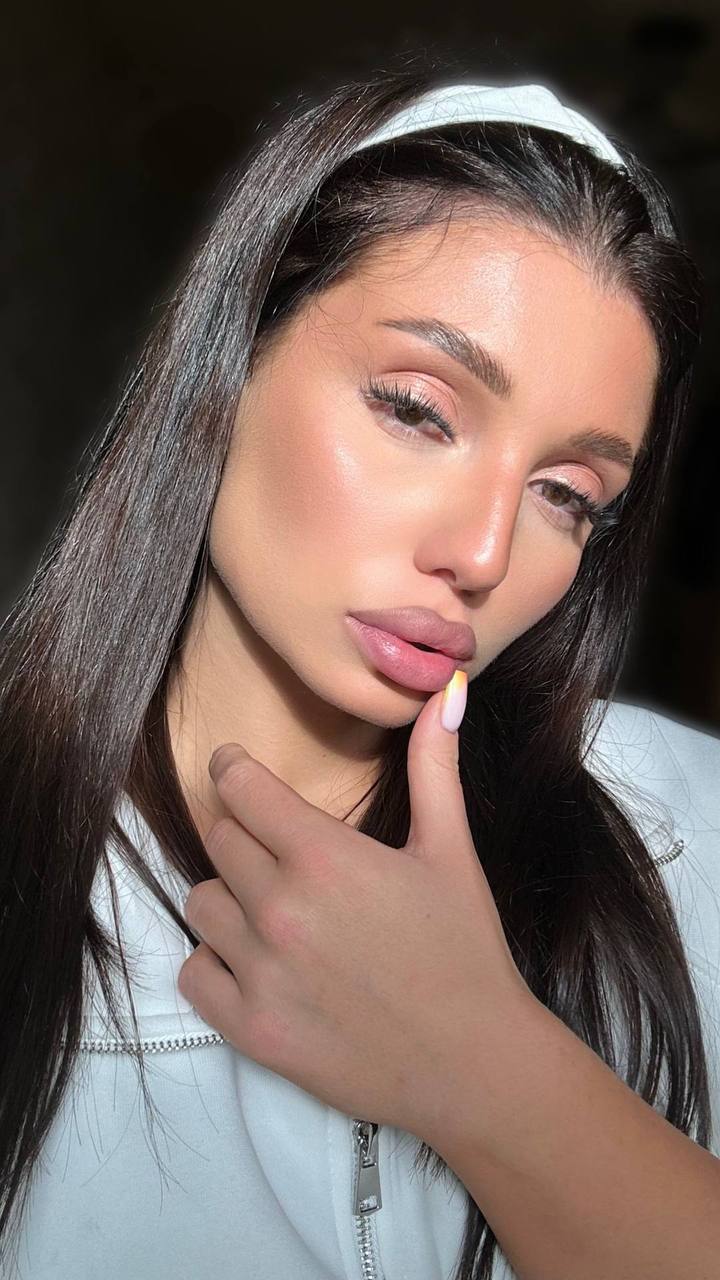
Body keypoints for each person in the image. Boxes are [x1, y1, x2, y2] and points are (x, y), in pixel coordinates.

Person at [1, 68, 718, 1280]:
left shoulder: (686, 828)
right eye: (418, 411)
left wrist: (489, 1066)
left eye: (566, 494)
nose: (483, 553)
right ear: (231, 360)